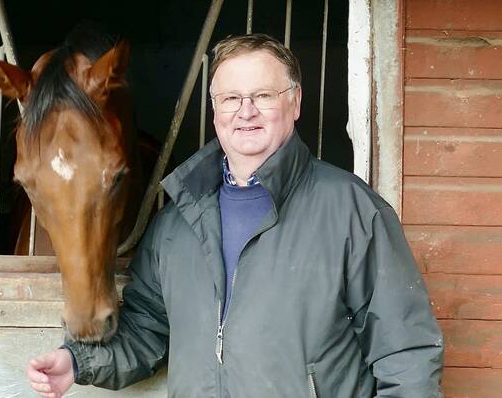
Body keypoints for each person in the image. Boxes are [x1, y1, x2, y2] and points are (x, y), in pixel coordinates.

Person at [26, 34, 444, 397]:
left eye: (263, 96)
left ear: (295, 102)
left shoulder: (352, 211)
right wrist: (77, 363)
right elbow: (146, 331)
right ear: (214, 111)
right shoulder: (177, 223)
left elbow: (405, 354)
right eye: (230, 98)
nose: (245, 111)